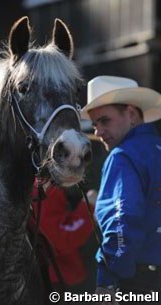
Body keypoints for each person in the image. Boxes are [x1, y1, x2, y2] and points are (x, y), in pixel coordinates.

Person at [81, 75, 161, 304]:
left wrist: (107, 281)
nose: (97, 131)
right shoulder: (156, 149)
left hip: (138, 280)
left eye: (105, 121)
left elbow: (121, 222)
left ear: (132, 115)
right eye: (95, 124)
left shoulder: (122, 156)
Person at [31, 180, 98, 299]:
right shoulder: (43, 186)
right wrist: (89, 208)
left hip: (55, 277)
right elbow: (60, 239)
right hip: (55, 281)